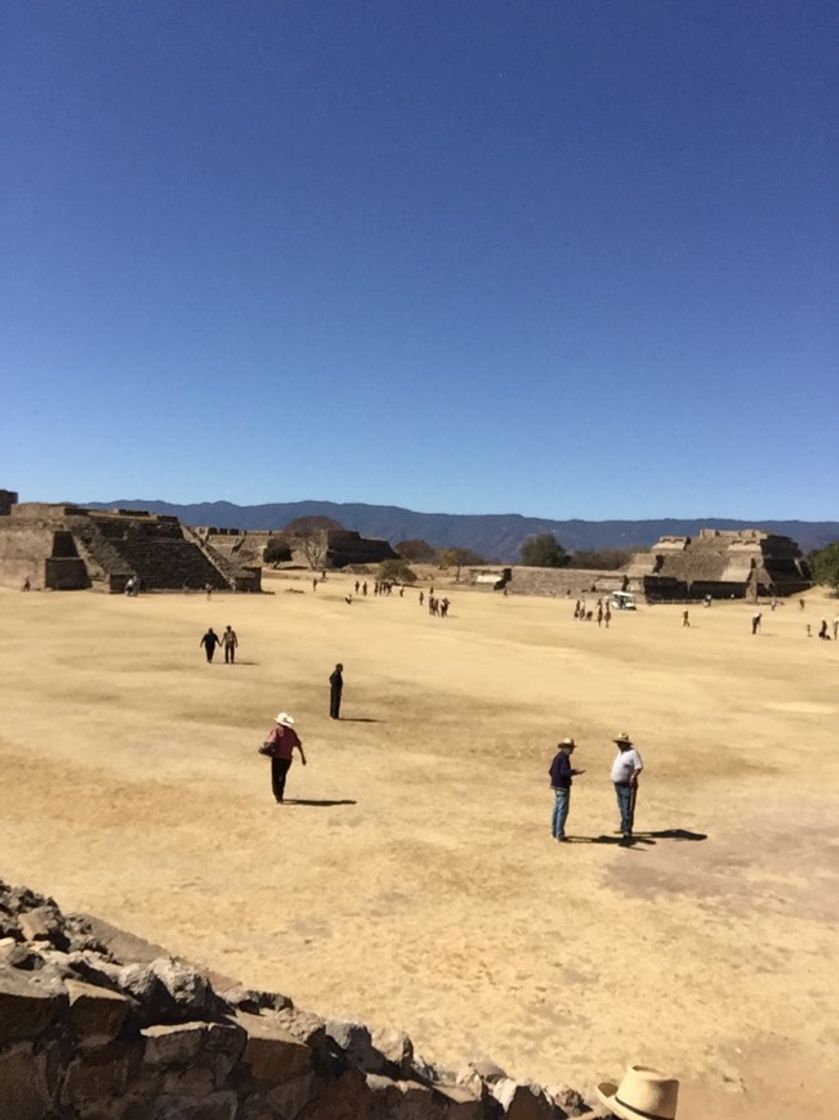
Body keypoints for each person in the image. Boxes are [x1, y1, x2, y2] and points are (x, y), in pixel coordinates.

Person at [262, 712, 306, 803]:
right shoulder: (292, 732)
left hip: (277, 758)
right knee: (282, 776)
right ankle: (280, 795)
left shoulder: (277, 730)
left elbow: (271, 741)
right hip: (287, 759)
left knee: (275, 777)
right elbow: (298, 744)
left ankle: (277, 795)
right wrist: (303, 757)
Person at [549, 737, 583, 841]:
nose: (572, 750)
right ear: (566, 748)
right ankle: (559, 834)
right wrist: (574, 772)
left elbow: (550, 771)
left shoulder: (557, 757)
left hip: (556, 786)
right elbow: (564, 772)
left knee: (556, 809)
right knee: (562, 811)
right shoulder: (564, 758)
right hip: (563, 787)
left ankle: (554, 832)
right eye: (571, 748)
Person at [610, 732, 643, 839]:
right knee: (621, 806)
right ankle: (624, 825)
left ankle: (627, 830)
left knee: (627, 807)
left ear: (626, 743)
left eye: (621, 743)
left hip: (627, 785)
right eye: (618, 743)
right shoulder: (621, 752)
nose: (618, 745)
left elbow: (639, 767)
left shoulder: (633, 753)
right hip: (618, 784)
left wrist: (633, 776)